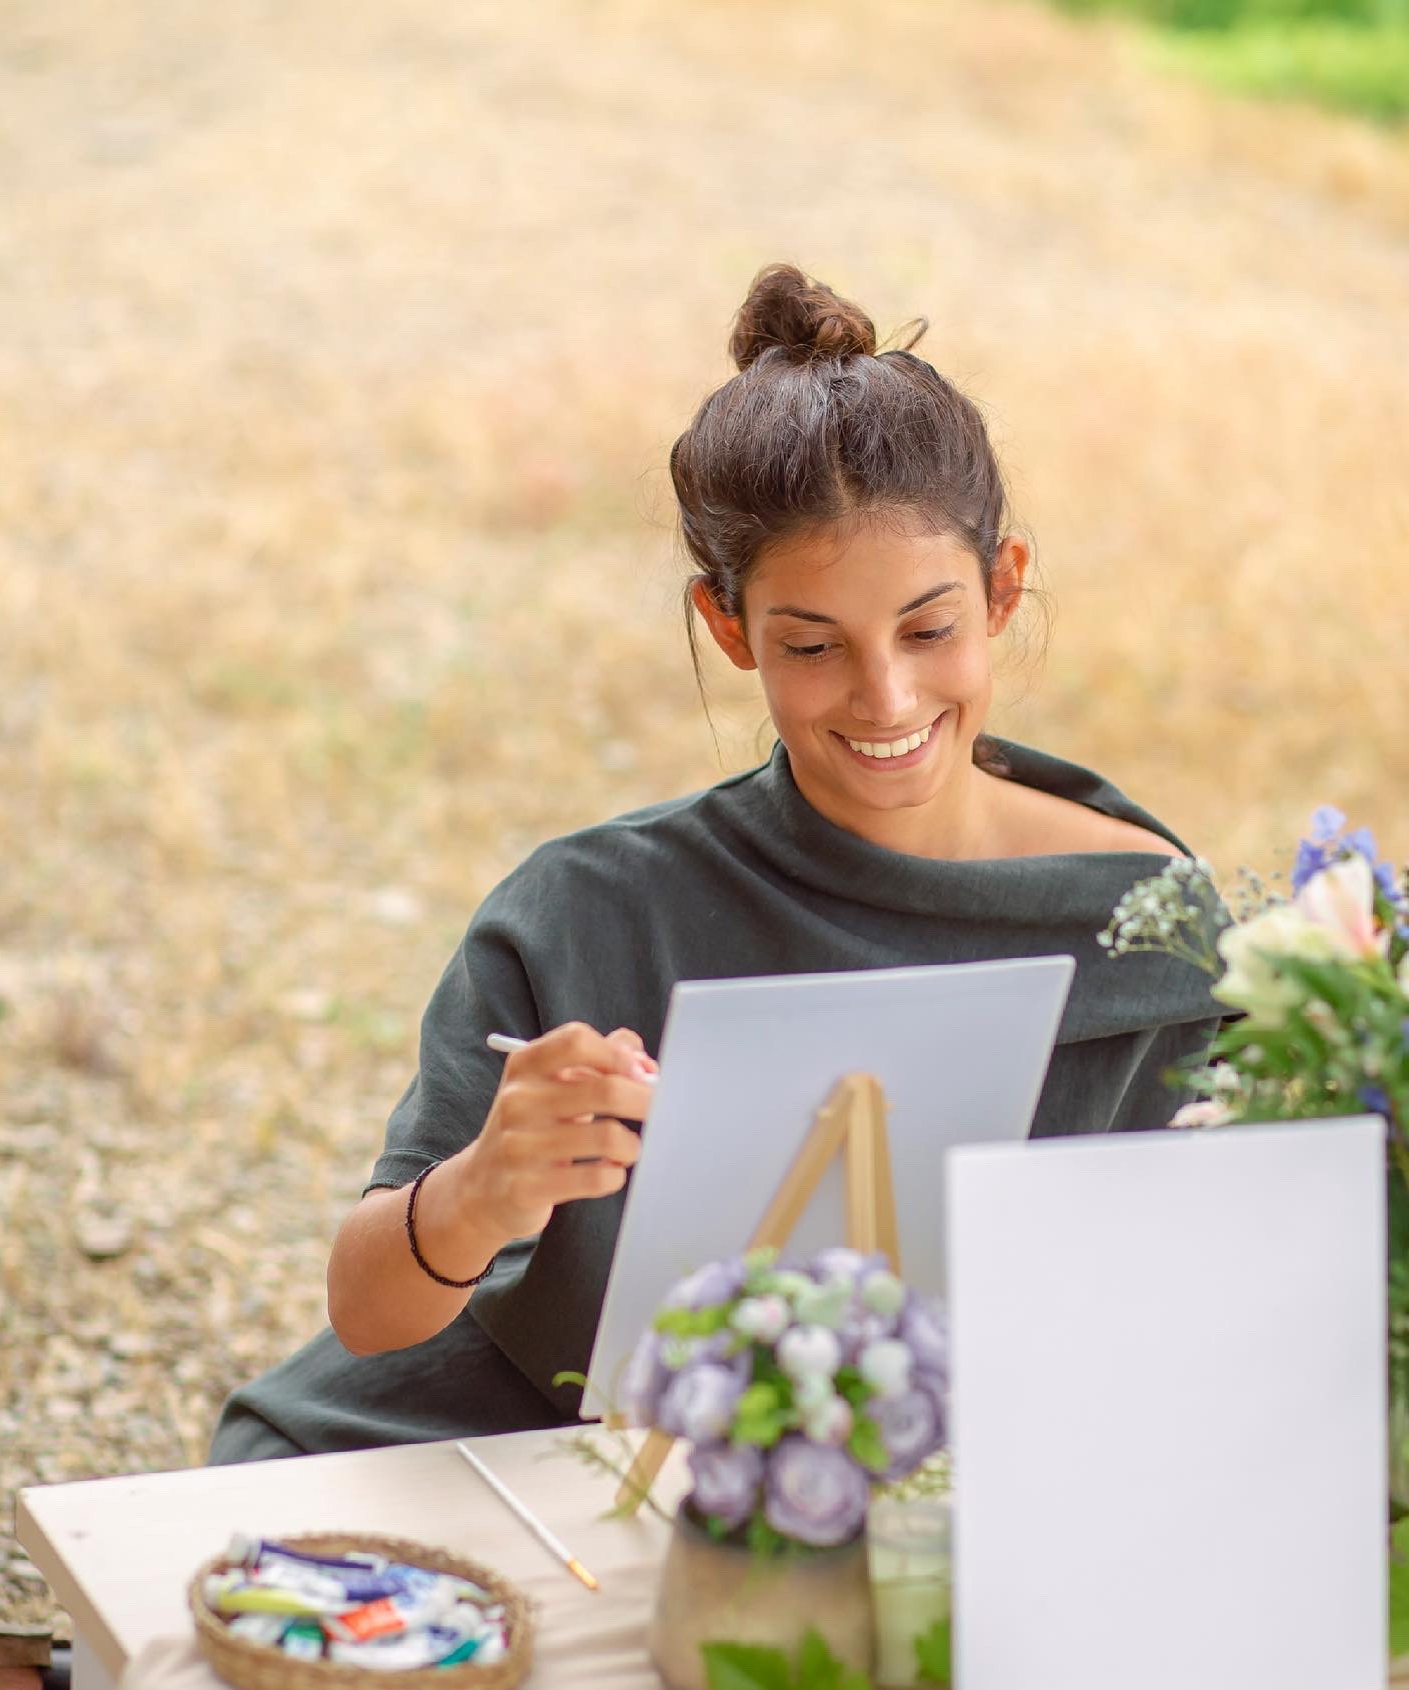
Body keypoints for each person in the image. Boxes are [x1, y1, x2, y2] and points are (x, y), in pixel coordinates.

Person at [209, 264, 1224, 1466]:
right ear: (729, 626)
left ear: (1002, 589)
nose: (886, 696)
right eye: (812, 644)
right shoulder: (588, 913)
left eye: (930, 627)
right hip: (490, 1464)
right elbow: (369, 1315)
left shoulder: (1150, 926)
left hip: (927, 1502)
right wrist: (487, 1184)